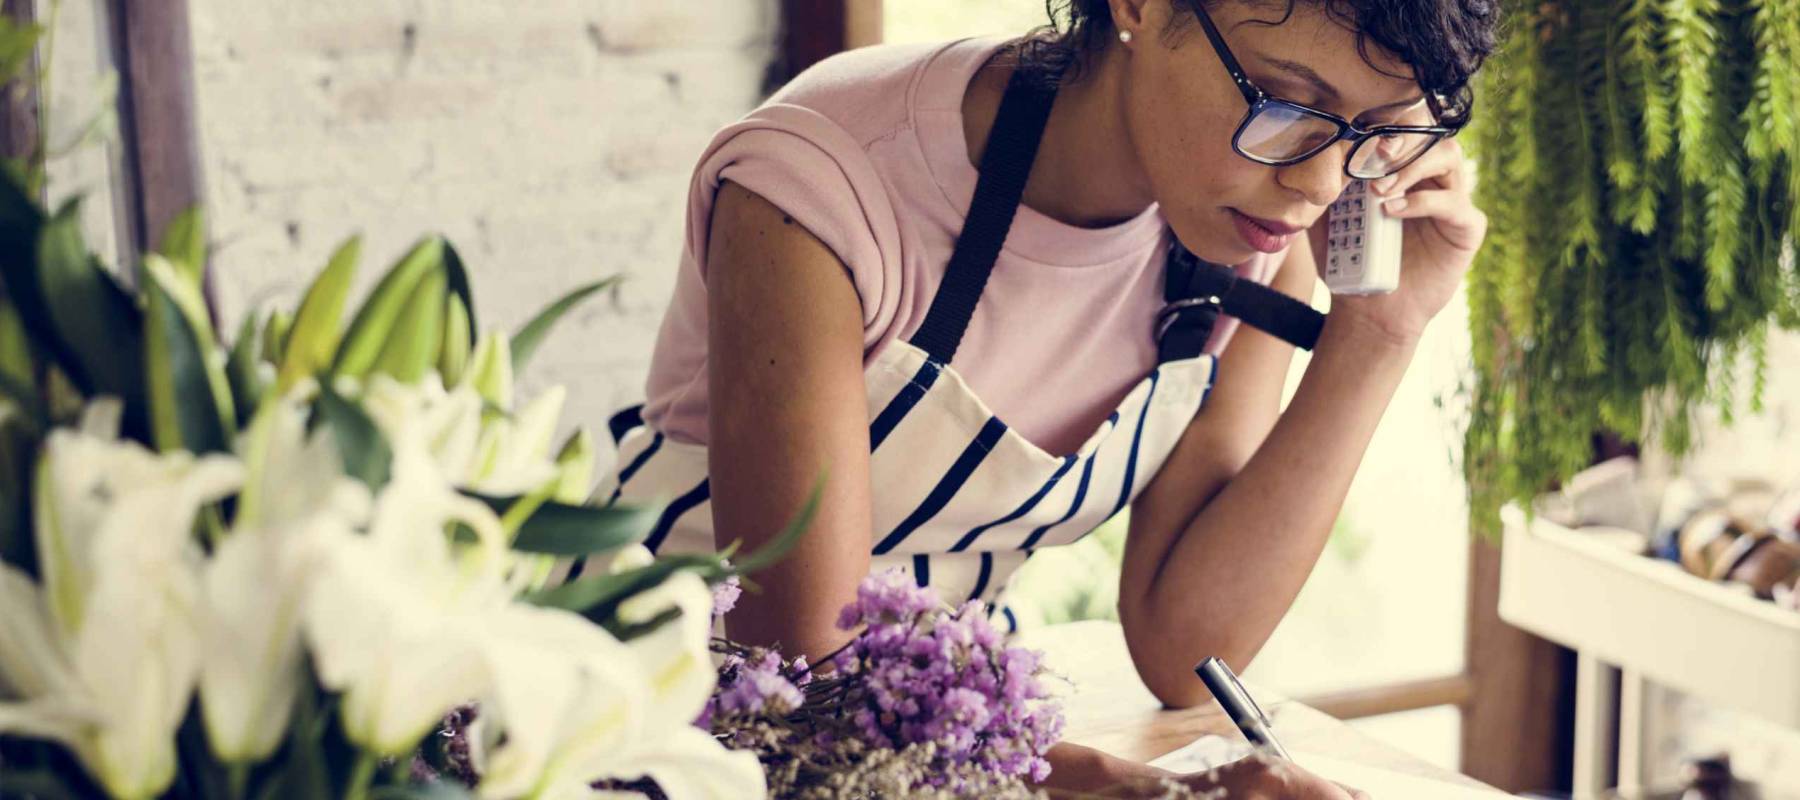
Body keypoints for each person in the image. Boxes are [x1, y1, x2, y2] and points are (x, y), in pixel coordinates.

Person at [600, 0, 1497, 795]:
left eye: (1378, 128)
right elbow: (808, 682)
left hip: (942, 752)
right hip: (640, 717)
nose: (1320, 182)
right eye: (1281, 101)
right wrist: (1149, 792)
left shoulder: (1253, 224)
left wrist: (1382, 331)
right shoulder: (822, 186)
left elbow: (1189, 648)